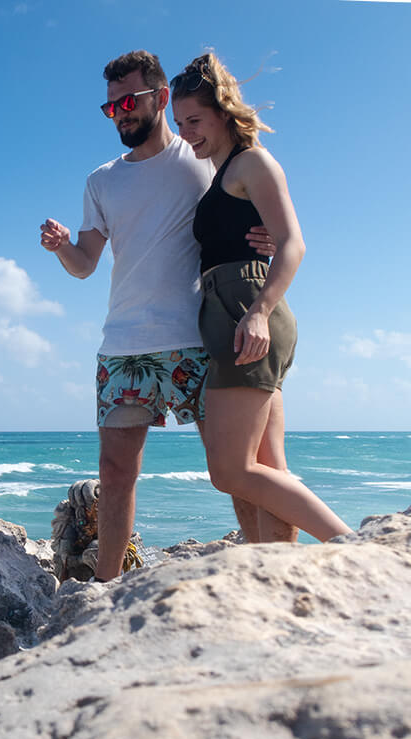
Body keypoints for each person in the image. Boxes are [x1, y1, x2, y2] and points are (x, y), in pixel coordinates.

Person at [40, 50, 287, 582]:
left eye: (129, 101)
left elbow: (259, 197)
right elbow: (85, 265)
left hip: (199, 336)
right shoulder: (100, 181)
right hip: (124, 343)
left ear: (161, 97)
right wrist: (62, 246)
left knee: (237, 469)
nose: (121, 114)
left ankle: (257, 572)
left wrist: (263, 237)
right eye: (111, 109)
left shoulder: (202, 156)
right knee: (116, 471)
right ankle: (106, 590)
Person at [170, 53, 352, 541]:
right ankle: (277, 574)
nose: (187, 133)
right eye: (179, 123)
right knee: (269, 468)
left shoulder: (251, 161)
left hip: (246, 310)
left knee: (230, 472)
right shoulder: (221, 172)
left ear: (223, 113)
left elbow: (293, 242)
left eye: (195, 120)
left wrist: (258, 312)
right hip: (232, 309)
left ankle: (353, 546)